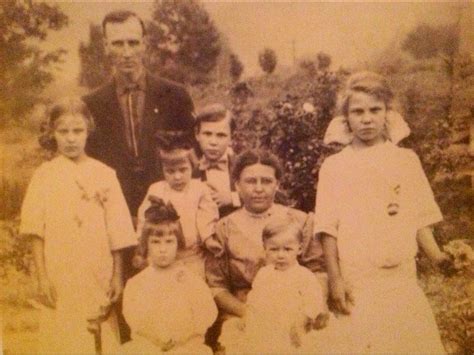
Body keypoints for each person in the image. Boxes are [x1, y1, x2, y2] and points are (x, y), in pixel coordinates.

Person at [314, 71, 450, 353]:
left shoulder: (405, 160)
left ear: (387, 113)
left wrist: (439, 257)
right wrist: (336, 279)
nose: (367, 119)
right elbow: (327, 229)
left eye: (375, 110)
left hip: (401, 279)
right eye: (358, 111)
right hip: (359, 279)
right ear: (346, 118)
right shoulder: (336, 167)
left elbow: (419, 219)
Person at [20, 97, 136, 353]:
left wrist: (117, 275)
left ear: (88, 131)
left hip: (97, 267)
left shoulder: (104, 174)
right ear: (52, 133)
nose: (71, 139)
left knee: (97, 327)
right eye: (63, 132)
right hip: (59, 268)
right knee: (62, 328)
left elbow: (118, 230)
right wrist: (42, 276)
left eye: (77, 131)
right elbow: (34, 231)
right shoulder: (44, 175)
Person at [205, 149, 326, 351]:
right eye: (251, 181)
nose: (259, 188)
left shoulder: (299, 220)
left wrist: (308, 313)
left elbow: (318, 271)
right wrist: (248, 314)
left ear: (277, 184)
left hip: (297, 313)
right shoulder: (224, 228)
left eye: (267, 181)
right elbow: (217, 287)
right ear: (237, 185)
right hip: (245, 313)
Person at [83, 10, 195, 218]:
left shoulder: (176, 95)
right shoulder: (91, 104)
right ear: (106, 46)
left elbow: (193, 155)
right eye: (118, 44)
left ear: (144, 44)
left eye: (133, 43)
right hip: (112, 213)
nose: (126, 53)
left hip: (170, 214)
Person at [122, 198, 217, 354]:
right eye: (156, 242)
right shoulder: (137, 283)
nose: (162, 249)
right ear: (146, 244)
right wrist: (155, 340)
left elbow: (206, 313)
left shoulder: (190, 279)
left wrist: (181, 337)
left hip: (184, 344)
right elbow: (133, 317)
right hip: (150, 345)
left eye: (169, 242)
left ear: (178, 244)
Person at [222, 218, 327, 354]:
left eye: (288, 249)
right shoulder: (264, 273)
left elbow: (314, 300)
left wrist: (303, 319)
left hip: (291, 326)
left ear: (299, 249)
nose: (280, 255)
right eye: (274, 249)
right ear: (265, 248)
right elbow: (255, 298)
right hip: (266, 325)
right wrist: (248, 316)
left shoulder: (304, 276)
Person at [136, 134, 218, 277]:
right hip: (162, 252)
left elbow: (207, 215)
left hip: (192, 255)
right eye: (170, 171)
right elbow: (145, 219)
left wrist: (208, 238)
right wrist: (141, 246)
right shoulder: (156, 190)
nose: (177, 176)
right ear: (162, 170)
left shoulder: (199, 189)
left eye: (183, 169)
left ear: (192, 166)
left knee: (191, 286)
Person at [194, 104, 240, 217]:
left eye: (221, 135)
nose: (213, 142)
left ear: (231, 138)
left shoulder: (242, 166)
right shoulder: (189, 171)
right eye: (207, 134)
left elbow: (268, 194)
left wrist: (232, 198)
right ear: (197, 134)